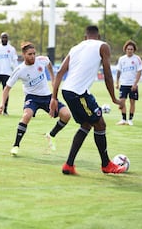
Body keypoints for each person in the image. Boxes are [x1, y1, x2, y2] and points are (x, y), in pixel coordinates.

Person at [49, 25, 126, 175]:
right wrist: (114, 99)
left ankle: (69, 165)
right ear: (98, 36)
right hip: (78, 93)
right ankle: (106, 165)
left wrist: (54, 98)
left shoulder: (76, 48)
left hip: (67, 91)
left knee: (86, 124)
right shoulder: (103, 46)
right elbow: (108, 74)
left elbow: (59, 73)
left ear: (85, 37)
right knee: (100, 123)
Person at [0, 42, 71, 156]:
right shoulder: (19, 70)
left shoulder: (41, 60)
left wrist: (52, 78)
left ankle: (51, 135)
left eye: (34, 54)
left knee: (66, 115)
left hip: (47, 97)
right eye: (30, 54)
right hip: (32, 98)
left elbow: (49, 64)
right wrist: (2, 104)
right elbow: (7, 88)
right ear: (24, 55)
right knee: (26, 116)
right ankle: (16, 145)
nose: (33, 56)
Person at [115, 40, 142, 126]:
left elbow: (139, 72)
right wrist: (117, 82)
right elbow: (119, 71)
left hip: (132, 85)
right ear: (125, 49)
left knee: (132, 102)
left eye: (131, 49)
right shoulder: (121, 59)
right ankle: (123, 119)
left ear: (134, 50)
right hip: (123, 84)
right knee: (122, 102)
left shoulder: (137, 59)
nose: (129, 50)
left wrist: (135, 84)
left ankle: (130, 119)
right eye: (128, 49)